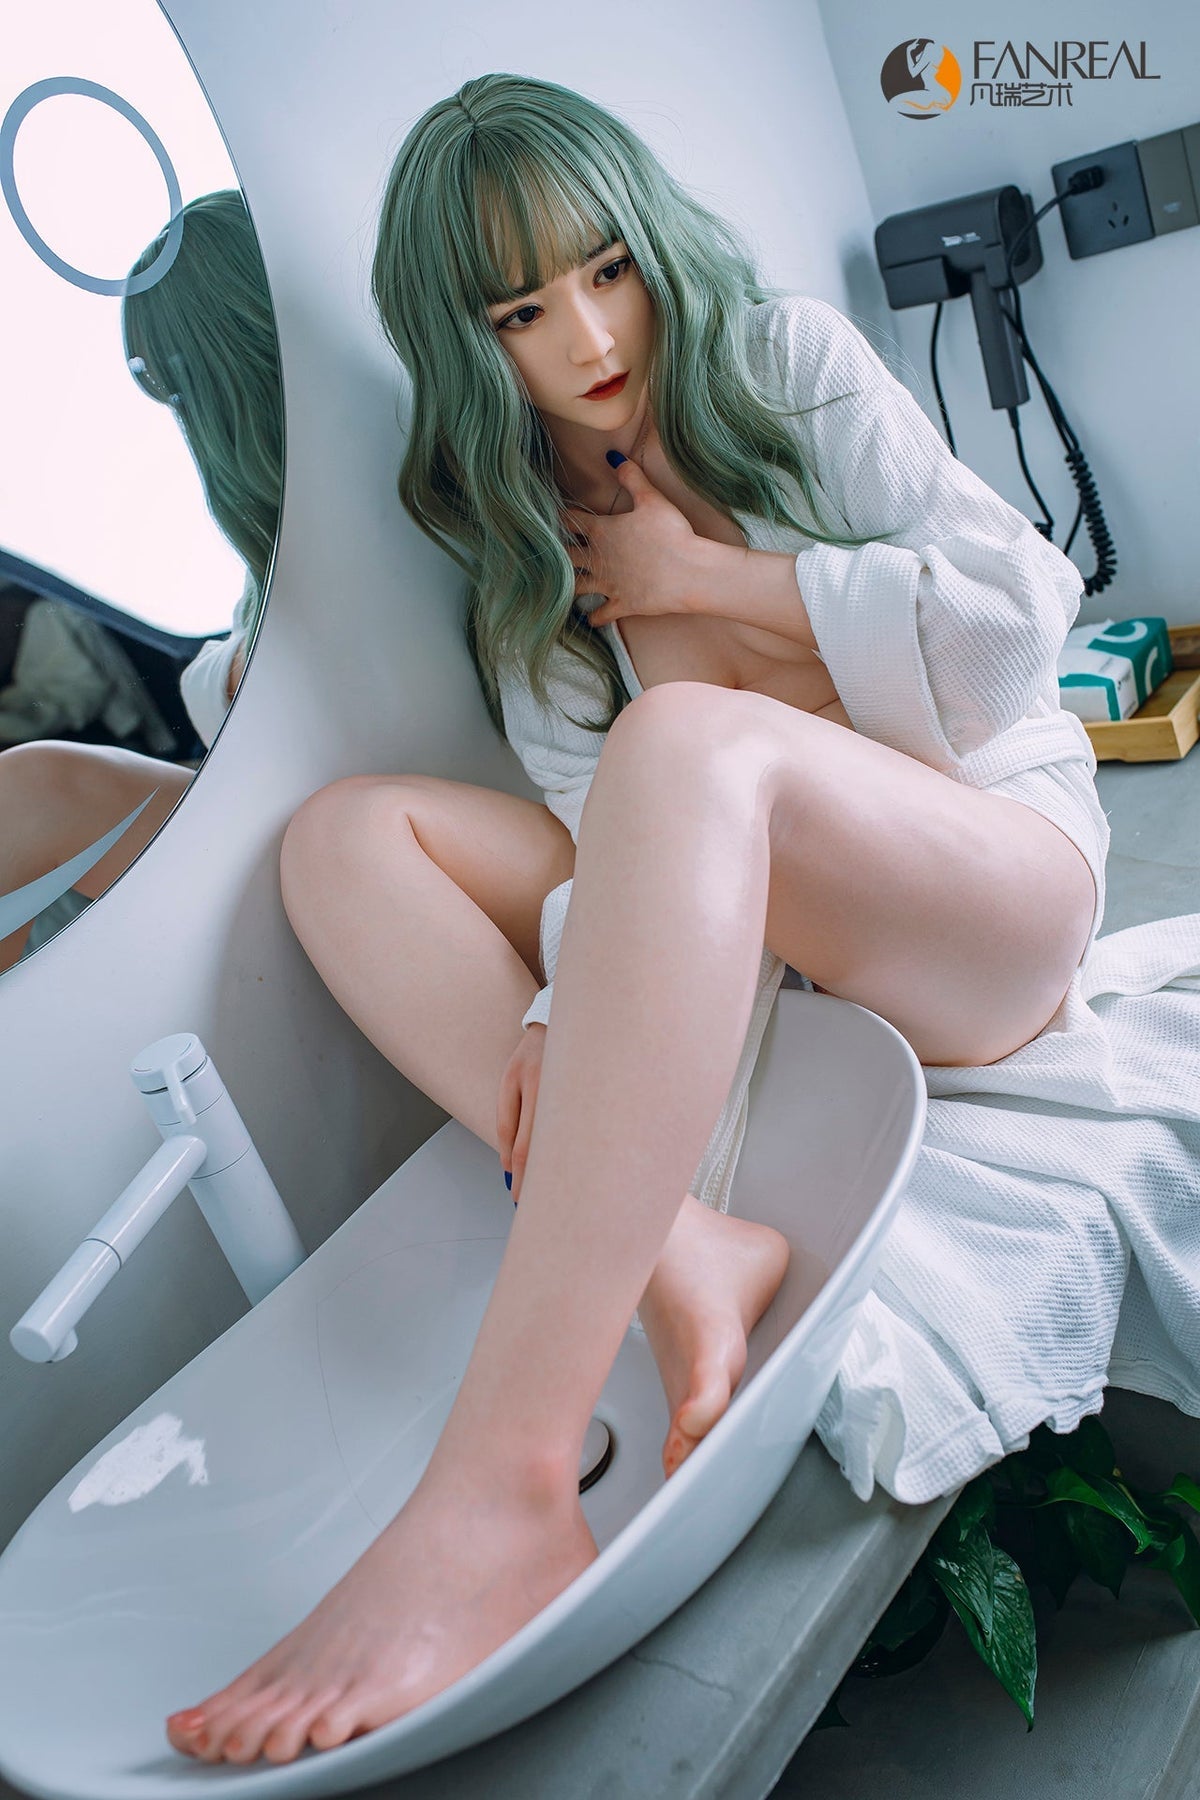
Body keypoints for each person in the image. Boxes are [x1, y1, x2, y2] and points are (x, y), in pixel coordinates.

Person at [165, 72, 1106, 1766]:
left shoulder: (778, 365)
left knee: (684, 737)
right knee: (340, 842)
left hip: (993, 888)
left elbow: (1018, 623)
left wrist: (712, 585)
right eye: (521, 312)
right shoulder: (521, 526)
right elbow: (615, 827)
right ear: (471, 344)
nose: (589, 337)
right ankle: (680, 1242)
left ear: (650, 246)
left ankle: (503, 1485)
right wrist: (558, 1011)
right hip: (800, 950)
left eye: (605, 270)